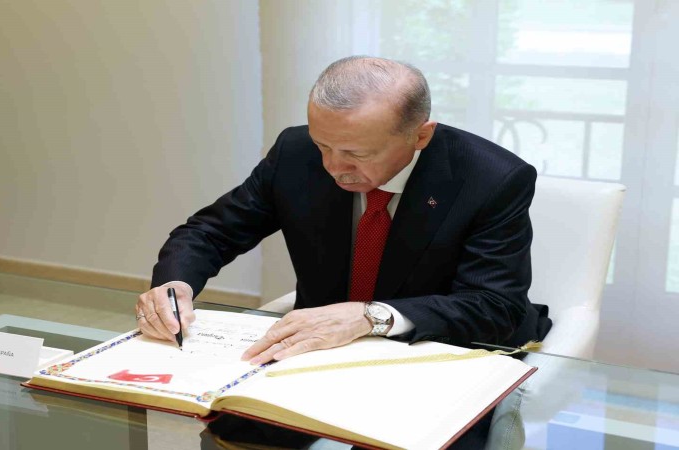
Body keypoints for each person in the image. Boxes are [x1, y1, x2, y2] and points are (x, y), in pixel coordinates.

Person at [137, 55, 552, 449]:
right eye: (323, 145)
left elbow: (494, 306)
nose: (334, 167)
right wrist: (176, 283)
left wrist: (371, 316)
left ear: (421, 135)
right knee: (235, 434)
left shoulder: (491, 178)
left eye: (357, 153)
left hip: (438, 351)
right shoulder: (295, 152)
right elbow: (211, 231)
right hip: (321, 349)